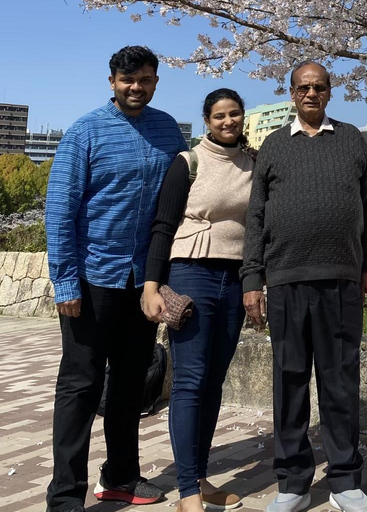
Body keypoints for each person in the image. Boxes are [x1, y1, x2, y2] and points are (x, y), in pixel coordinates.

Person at [44, 45, 187, 512]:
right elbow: (60, 210)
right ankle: (65, 496)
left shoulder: (168, 129)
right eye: (127, 80)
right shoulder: (85, 131)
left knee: (131, 384)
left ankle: (121, 476)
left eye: (144, 79)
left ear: (155, 81)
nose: (136, 88)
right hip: (92, 279)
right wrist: (65, 282)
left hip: (142, 283)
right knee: (80, 387)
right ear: (112, 81)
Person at [240, 61, 367, 512]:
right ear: (292, 93)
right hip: (285, 280)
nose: (311, 94)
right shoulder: (274, 146)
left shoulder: (354, 140)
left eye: (319, 87)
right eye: (303, 88)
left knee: (340, 383)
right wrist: (252, 277)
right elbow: (256, 215)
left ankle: (344, 481)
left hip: (341, 279)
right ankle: (293, 482)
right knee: (290, 381)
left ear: (330, 92)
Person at [142, 88, 254, 512]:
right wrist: (152, 285)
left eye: (234, 114)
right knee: (190, 380)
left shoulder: (254, 163)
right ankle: (187, 490)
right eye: (219, 116)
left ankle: (201, 477)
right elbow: (163, 224)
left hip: (235, 275)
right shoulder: (187, 163)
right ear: (207, 120)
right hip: (191, 273)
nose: (228, 122)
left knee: (213, 382)